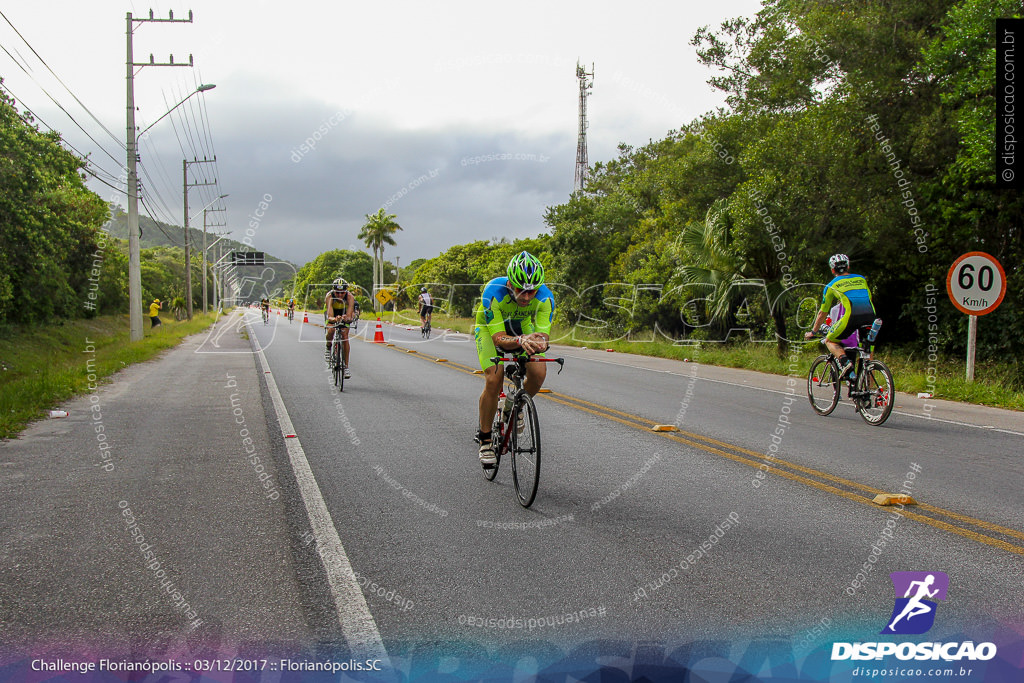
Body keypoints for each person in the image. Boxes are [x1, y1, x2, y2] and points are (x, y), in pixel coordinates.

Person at [474, 251, 555, 467]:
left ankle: (514, 406)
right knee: (494, 379)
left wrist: (538, 342)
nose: (527, 297)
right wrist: (520, 341)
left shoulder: (546, 298)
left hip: (523, 327)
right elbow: (499, 339)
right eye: (521, 290)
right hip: (490, 329)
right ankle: (485, 439)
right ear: (510, 283)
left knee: (538, 373)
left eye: (532, 291)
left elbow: (543, 336)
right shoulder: (493, 292)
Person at [804, 253, 876, 378]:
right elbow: (869, 298)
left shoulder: (831, 285)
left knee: (829, 340)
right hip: (871, 316)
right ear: (848, 267)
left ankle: (845, 362)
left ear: (832, 270)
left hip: (852, 317)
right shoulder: (861, 279)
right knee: (867, 355)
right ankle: (869, 392)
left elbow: (823, 312)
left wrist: (813, 332)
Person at [324, 278, 355, 378]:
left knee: (344, 335)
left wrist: (347, 318)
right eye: (337, 293)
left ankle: (346, 367)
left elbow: (349, 315)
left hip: (344, 313)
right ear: (334, 291)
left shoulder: (350, 297)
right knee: (331, 329)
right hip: (333, 314)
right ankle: (328, 347)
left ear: (345, 291)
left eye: (342, 293)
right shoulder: (329, 296)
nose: (340, 295)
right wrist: (335, 319)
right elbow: (330, 316)